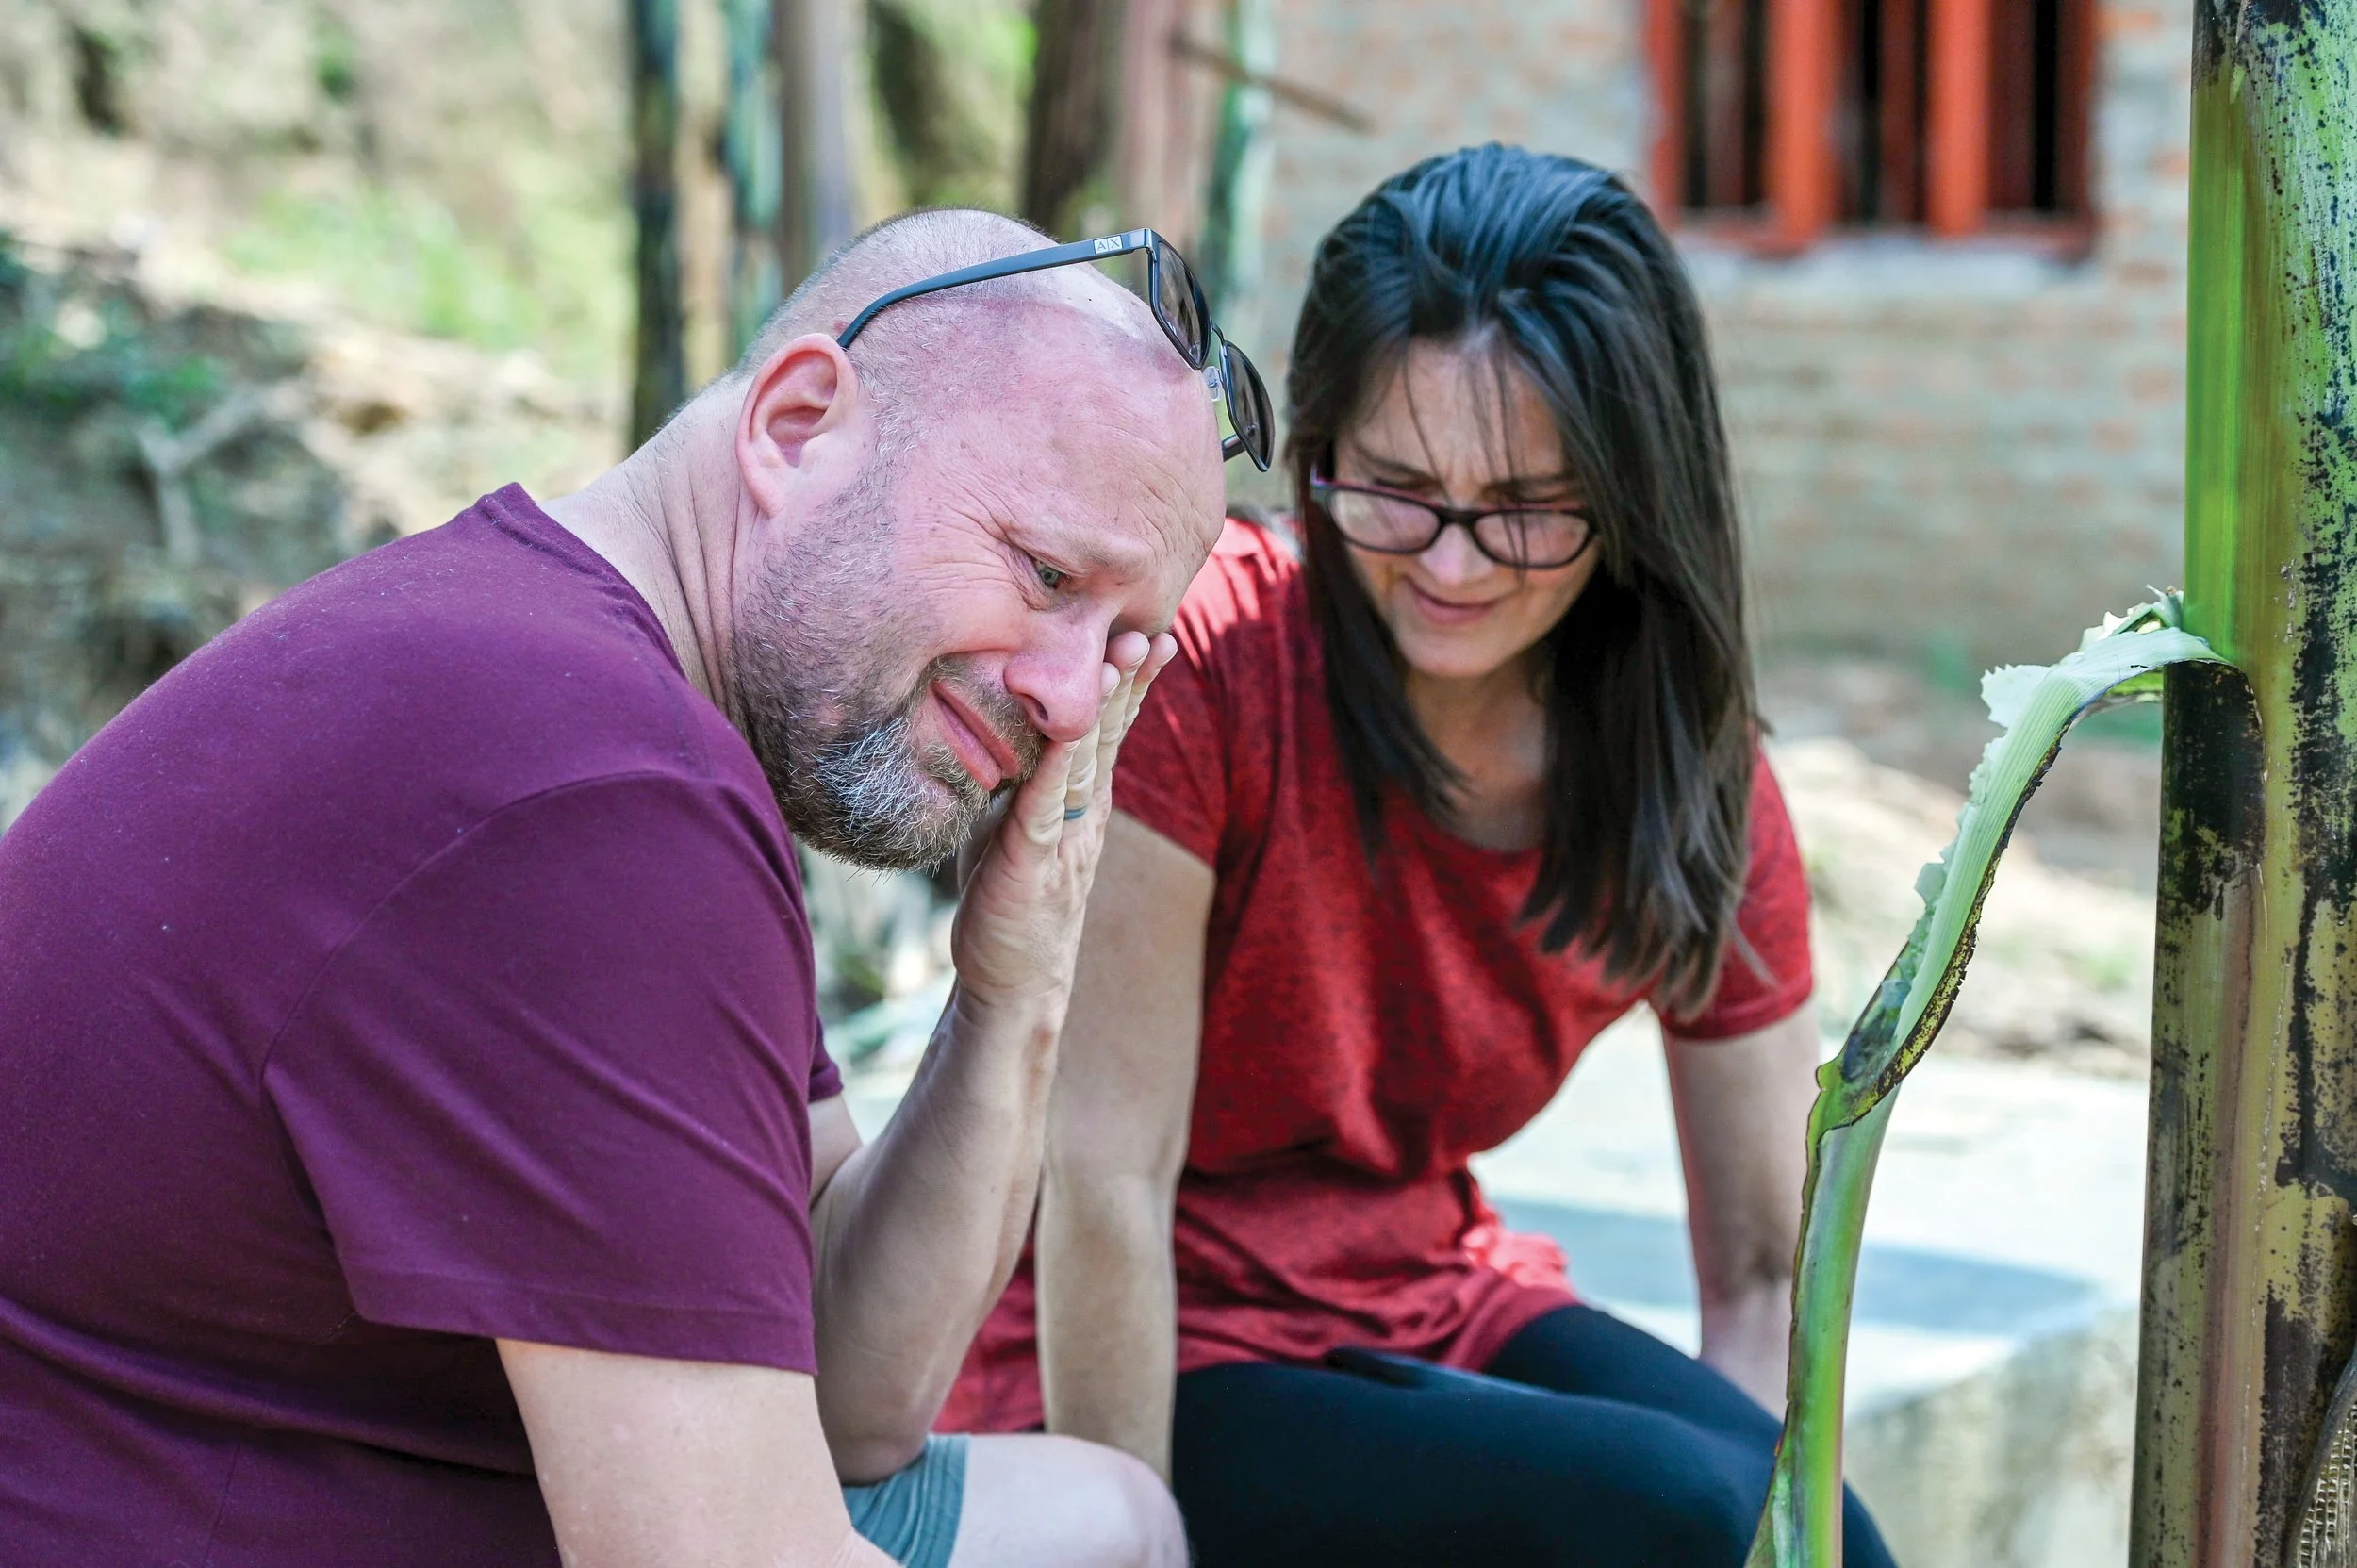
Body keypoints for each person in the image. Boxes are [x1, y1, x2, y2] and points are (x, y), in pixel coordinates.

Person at [0, 208, 1261, 1568]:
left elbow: (847, 1393)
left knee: (1112, 1516)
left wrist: (1015, 987)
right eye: (1047, 573)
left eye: (1124, 643)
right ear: (796, 427)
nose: (1070, 699)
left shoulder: (590, 690)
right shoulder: (594, 790)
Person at [941, 146, 1902, 1566]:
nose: (1450, 566)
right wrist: (1126, 1538)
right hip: (1116, 1347)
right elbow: (1103, 1182)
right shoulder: (1206, 671)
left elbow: (1765, 1274)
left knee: (1815, 1536)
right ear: (1318, 452)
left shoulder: (1686, 777)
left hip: (1421, 1291)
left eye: (1524, 506)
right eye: (1391, 487)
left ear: (1635, 496)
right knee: (1683, 1516)